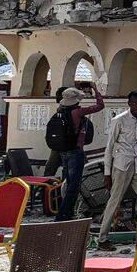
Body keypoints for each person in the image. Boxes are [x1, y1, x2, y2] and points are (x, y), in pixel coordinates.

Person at [97, 90, 137, 251]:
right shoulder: (119, 120)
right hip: (122, 164)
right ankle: (102, 238)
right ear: (129, 104)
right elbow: (109, 148)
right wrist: (107, 174)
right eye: (135, 103)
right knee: (115, 200)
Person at [55, 87, 104, 221]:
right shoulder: (77, 112)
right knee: (73, 186)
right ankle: (63, 216)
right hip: (75, 152)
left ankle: (66, 213)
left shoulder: (60, 111)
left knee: (69, 183)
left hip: (63, 151)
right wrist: (96, 90)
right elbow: (100, 106)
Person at [43, 86, 68, 178]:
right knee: (53, 168)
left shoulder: (64, 112)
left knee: (51, 169)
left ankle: (47, 188)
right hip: (62, 145)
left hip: (62, 145)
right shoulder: (65, 111)